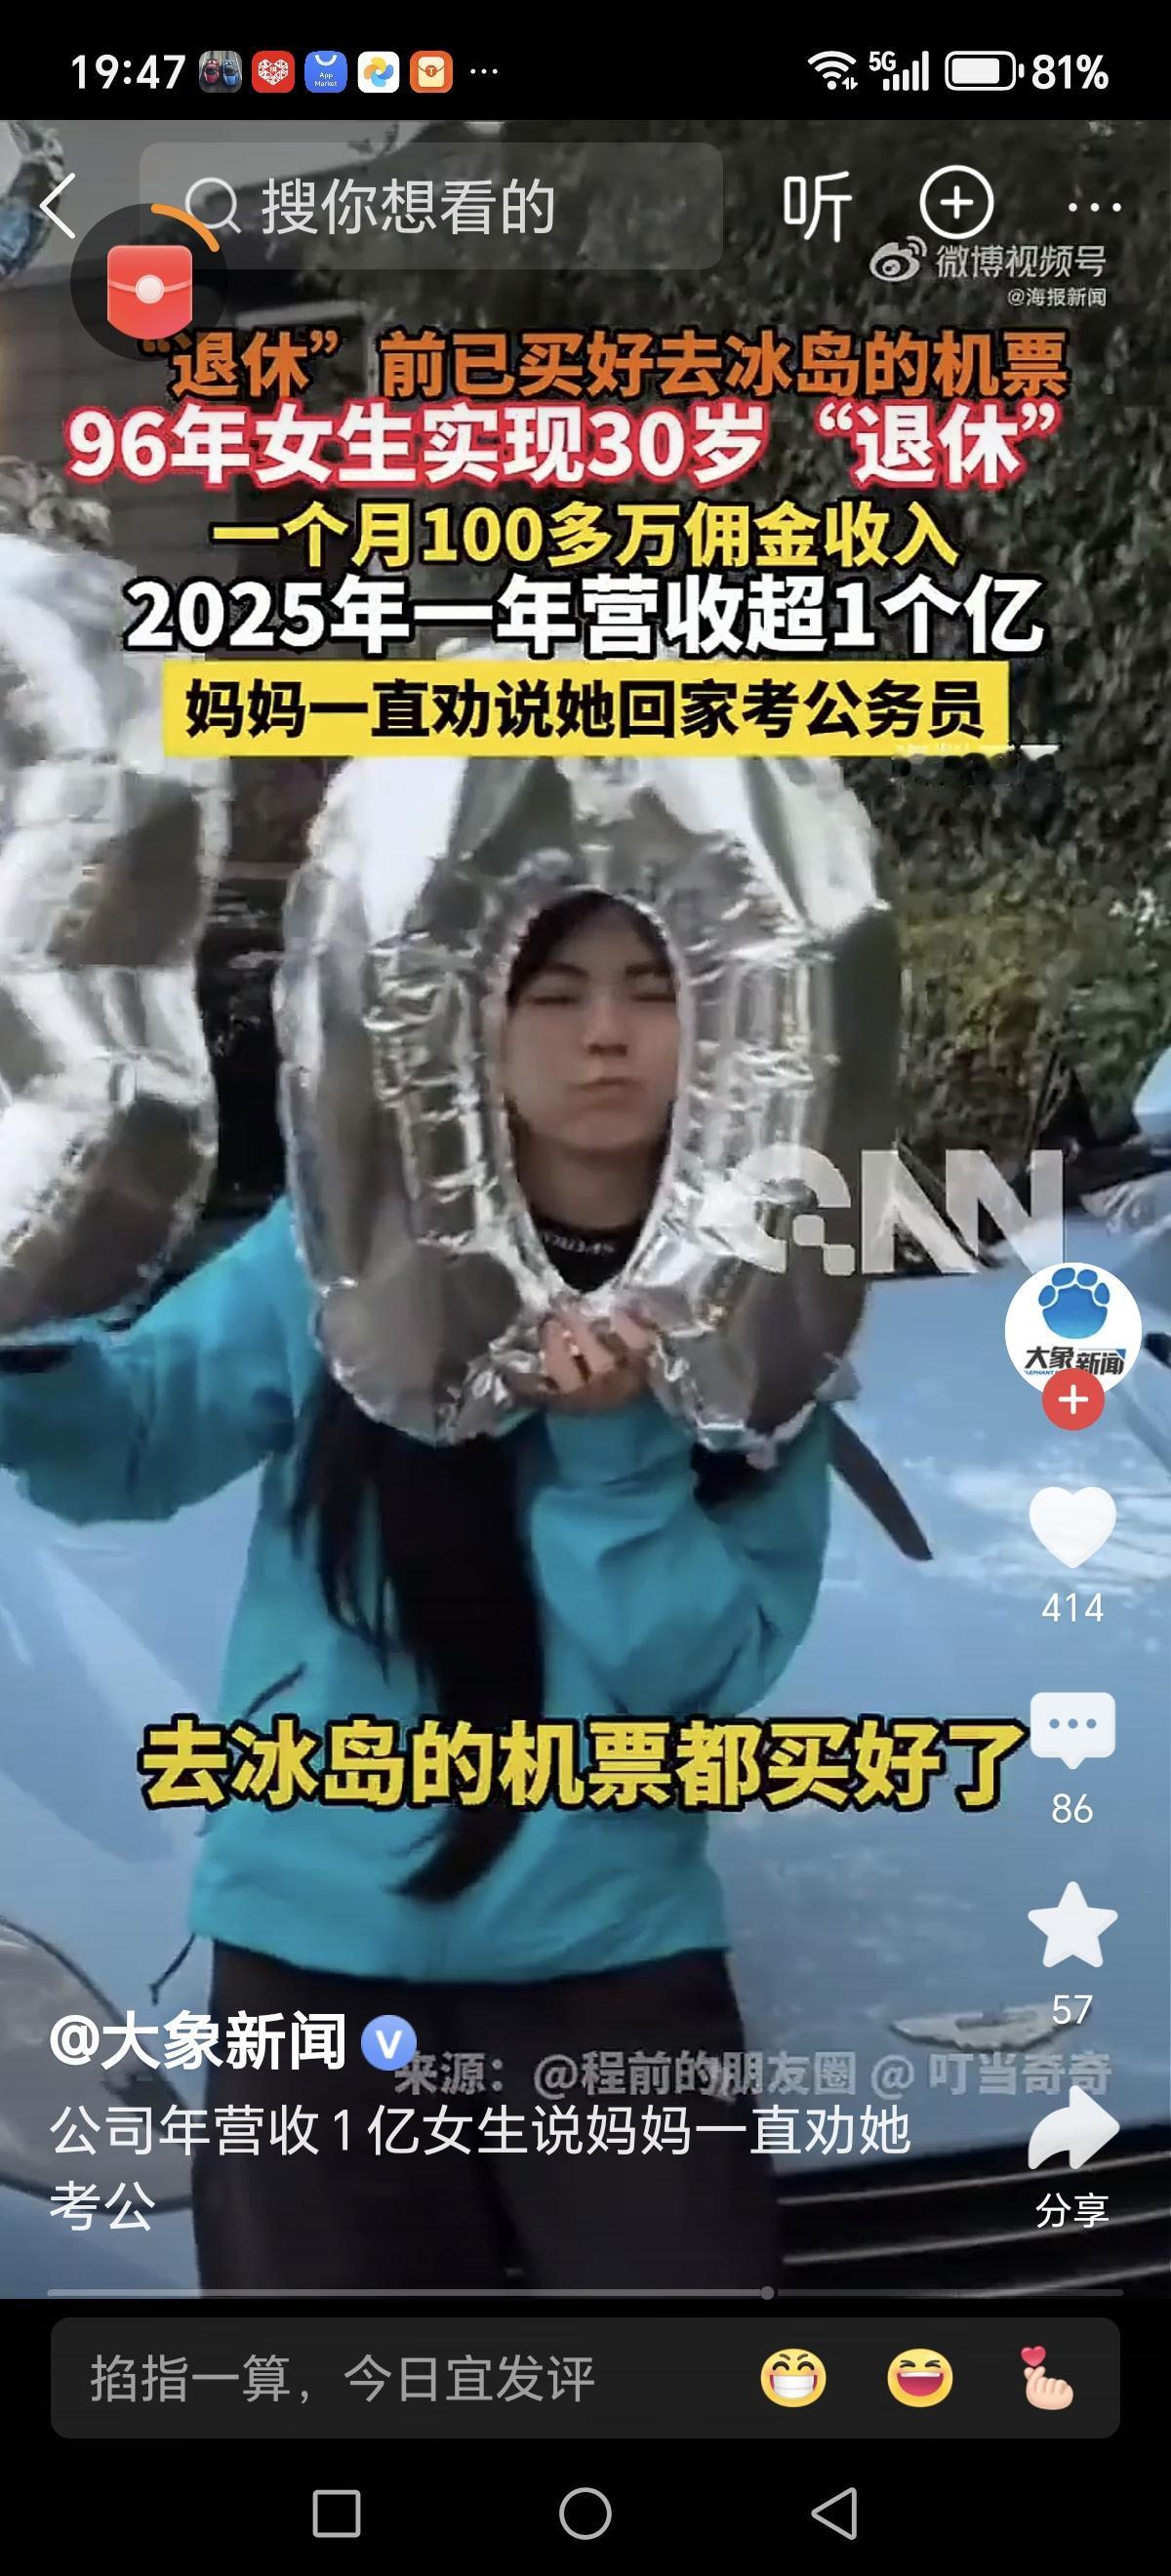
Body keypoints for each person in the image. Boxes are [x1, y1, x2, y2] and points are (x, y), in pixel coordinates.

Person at [0, 891, 831, 2290]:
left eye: (654, 989)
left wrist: (613, 1455)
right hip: (315, 1953)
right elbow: (130, 1446)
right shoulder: (338, 1252)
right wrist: (27, 1327)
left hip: (609, 1959)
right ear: (476, 1032)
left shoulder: (763, 1306)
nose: (609, 1035)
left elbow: (695, 1670)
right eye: (554, 994)